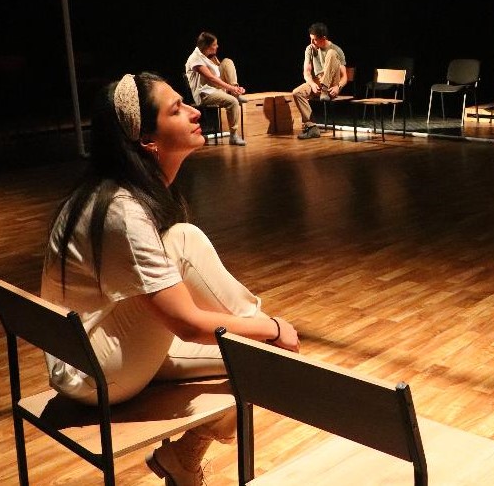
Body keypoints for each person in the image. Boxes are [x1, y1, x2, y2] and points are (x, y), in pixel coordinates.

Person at [41, 72, 300, 486]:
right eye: (177, 109)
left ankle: (183, 457)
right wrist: (270, 328)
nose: (195, 112)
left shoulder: (115, 193)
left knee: (259, 357)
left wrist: (264, 335)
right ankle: (269, 336)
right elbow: (187, 325)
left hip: (93, 351)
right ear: (148, 140)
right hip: (95, 373)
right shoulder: (122, 212)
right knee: (257, 345)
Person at [185, 31, 249, 146]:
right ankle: (233, 136)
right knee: (233, 102)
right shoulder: (195, 58)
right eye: (214, 44)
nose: (217, 46)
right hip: (205, 94)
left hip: (215, 89)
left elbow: (219, 75)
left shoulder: (209, 57)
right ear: (207, 46)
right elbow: (211, 78)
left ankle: (236, 94)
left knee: (227, 62)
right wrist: (230, 88)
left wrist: (235, 89)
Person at [291, 22, 348, 140]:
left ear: (324, 38)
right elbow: (306, 72)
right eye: (311, 39)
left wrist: (338, 87)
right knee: (297, 92)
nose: (312, 42)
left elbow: (344, 77)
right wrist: (312, 84)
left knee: (331, 53)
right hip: (317, 83)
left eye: (315, 39)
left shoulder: (336, 49)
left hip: (332, 84)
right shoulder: (310, 49)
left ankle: (324, 89)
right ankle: (312, 128)